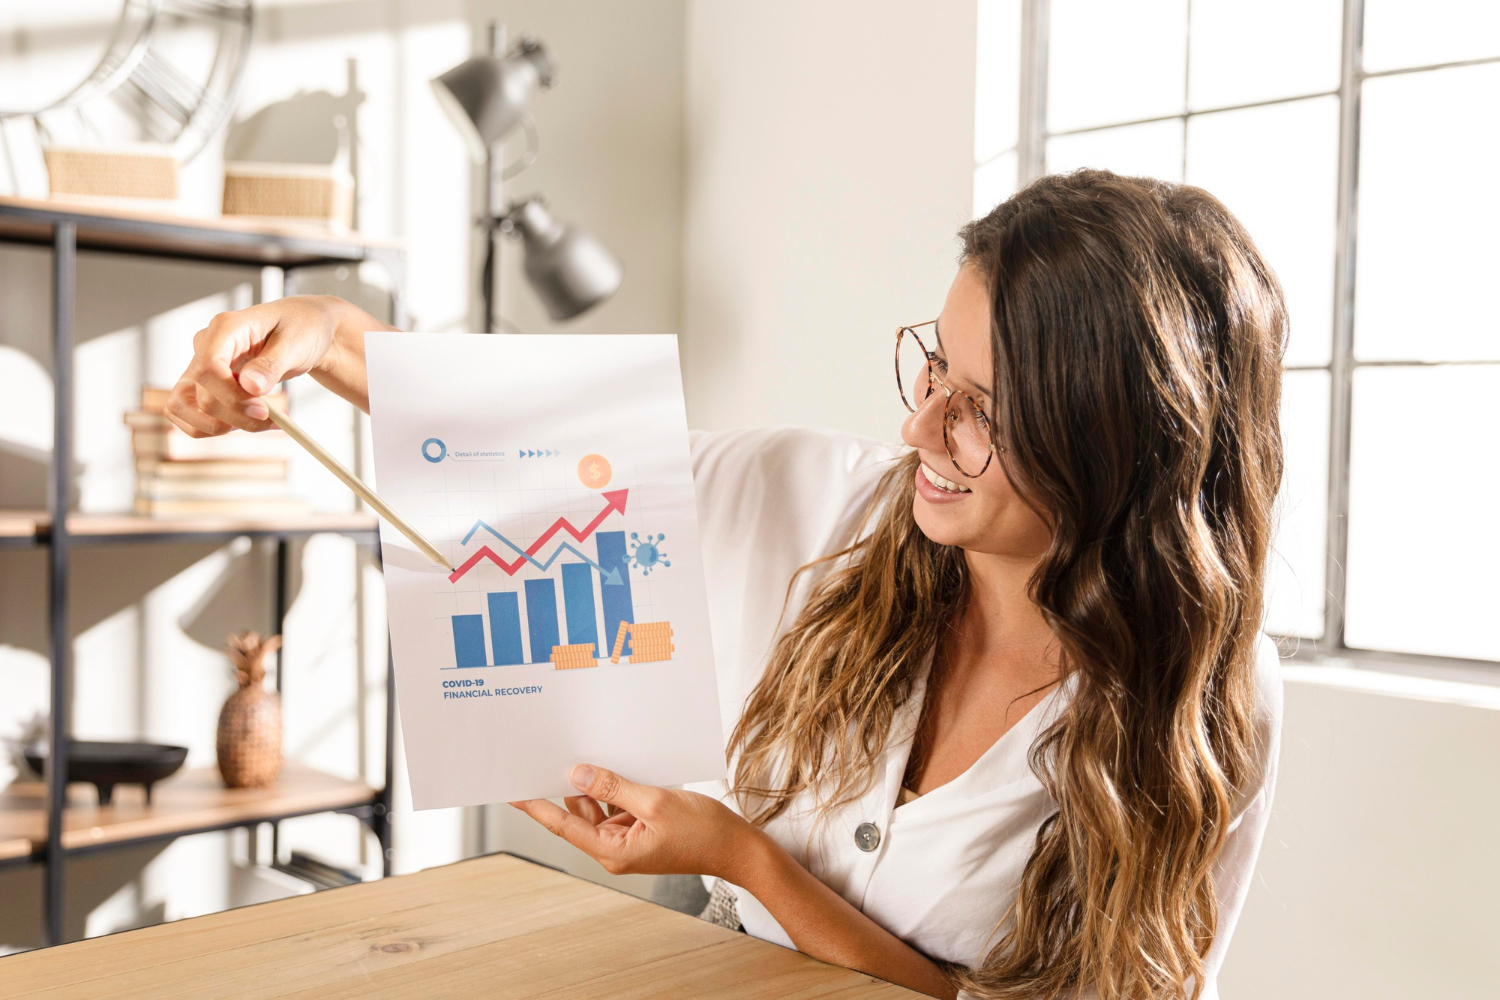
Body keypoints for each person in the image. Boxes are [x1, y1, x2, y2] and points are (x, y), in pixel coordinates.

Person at [166, 170, 1285, 1000]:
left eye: (983, 410)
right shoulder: (831, 507)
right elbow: (530, 451)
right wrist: (320, 338)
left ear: (1117, 444)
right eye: (935, 365)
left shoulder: (1203, 699)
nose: (920, 425)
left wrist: (738, 856)